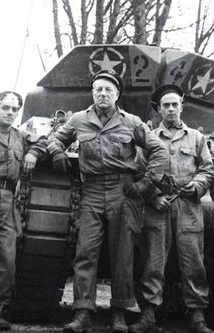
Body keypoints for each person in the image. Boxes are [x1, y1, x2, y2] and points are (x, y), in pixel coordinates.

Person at [47, 69, 167, 333]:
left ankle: (120, 314)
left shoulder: (132, 122)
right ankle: (82, 312)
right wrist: (56, 151)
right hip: (90, 191)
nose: (103, 93)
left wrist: (146, 183)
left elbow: (158, 150)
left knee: (122, 254)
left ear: (117, 94)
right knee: (85, 252)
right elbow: (55, 137)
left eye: (108, 90)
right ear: (92, 92)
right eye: (98, 89)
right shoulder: (79, 119)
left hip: (122, 192)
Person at [127, 84, 214, 333]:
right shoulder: (149, 138)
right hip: (158, 208)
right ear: (158, 109)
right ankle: (148, 315)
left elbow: (207, 169)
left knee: (194, 263)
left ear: (182, 106)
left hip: (189, 206)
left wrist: (196, 186)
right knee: (153, 263)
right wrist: (153, 196)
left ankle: (197, 317)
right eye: (166, 105)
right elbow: (139, 171)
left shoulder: (196, 138)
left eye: (175, 104)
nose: (171, 109)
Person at [0, 91, 48, 331]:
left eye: (14, 109)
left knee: (6, 256)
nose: (10, 112)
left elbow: (43, 139)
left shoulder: (20, 136)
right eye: (5, 107)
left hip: (8, 198)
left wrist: (33, 151)